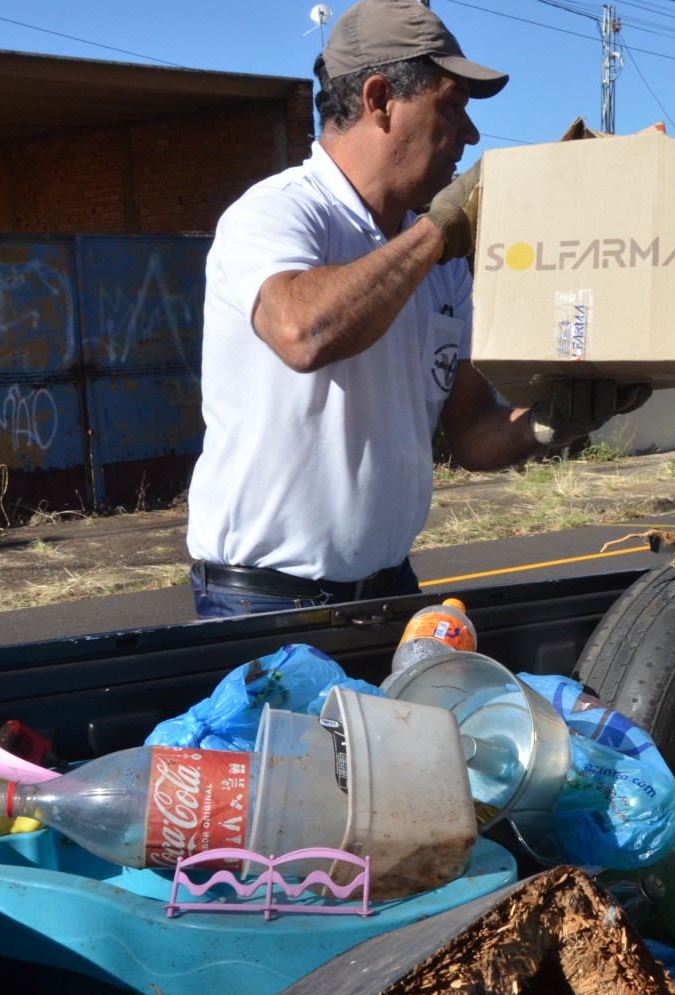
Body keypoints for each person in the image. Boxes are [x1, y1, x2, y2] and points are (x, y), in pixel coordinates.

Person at [186, 0, 646, 617]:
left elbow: (469, 431)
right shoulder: (279, 213)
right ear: (379, 100)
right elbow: (302, 332)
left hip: (389, 588)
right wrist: (435, 233)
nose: (472, 134)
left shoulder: (442, 260)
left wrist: (549, 422)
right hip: (266, 603)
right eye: (452, 106)